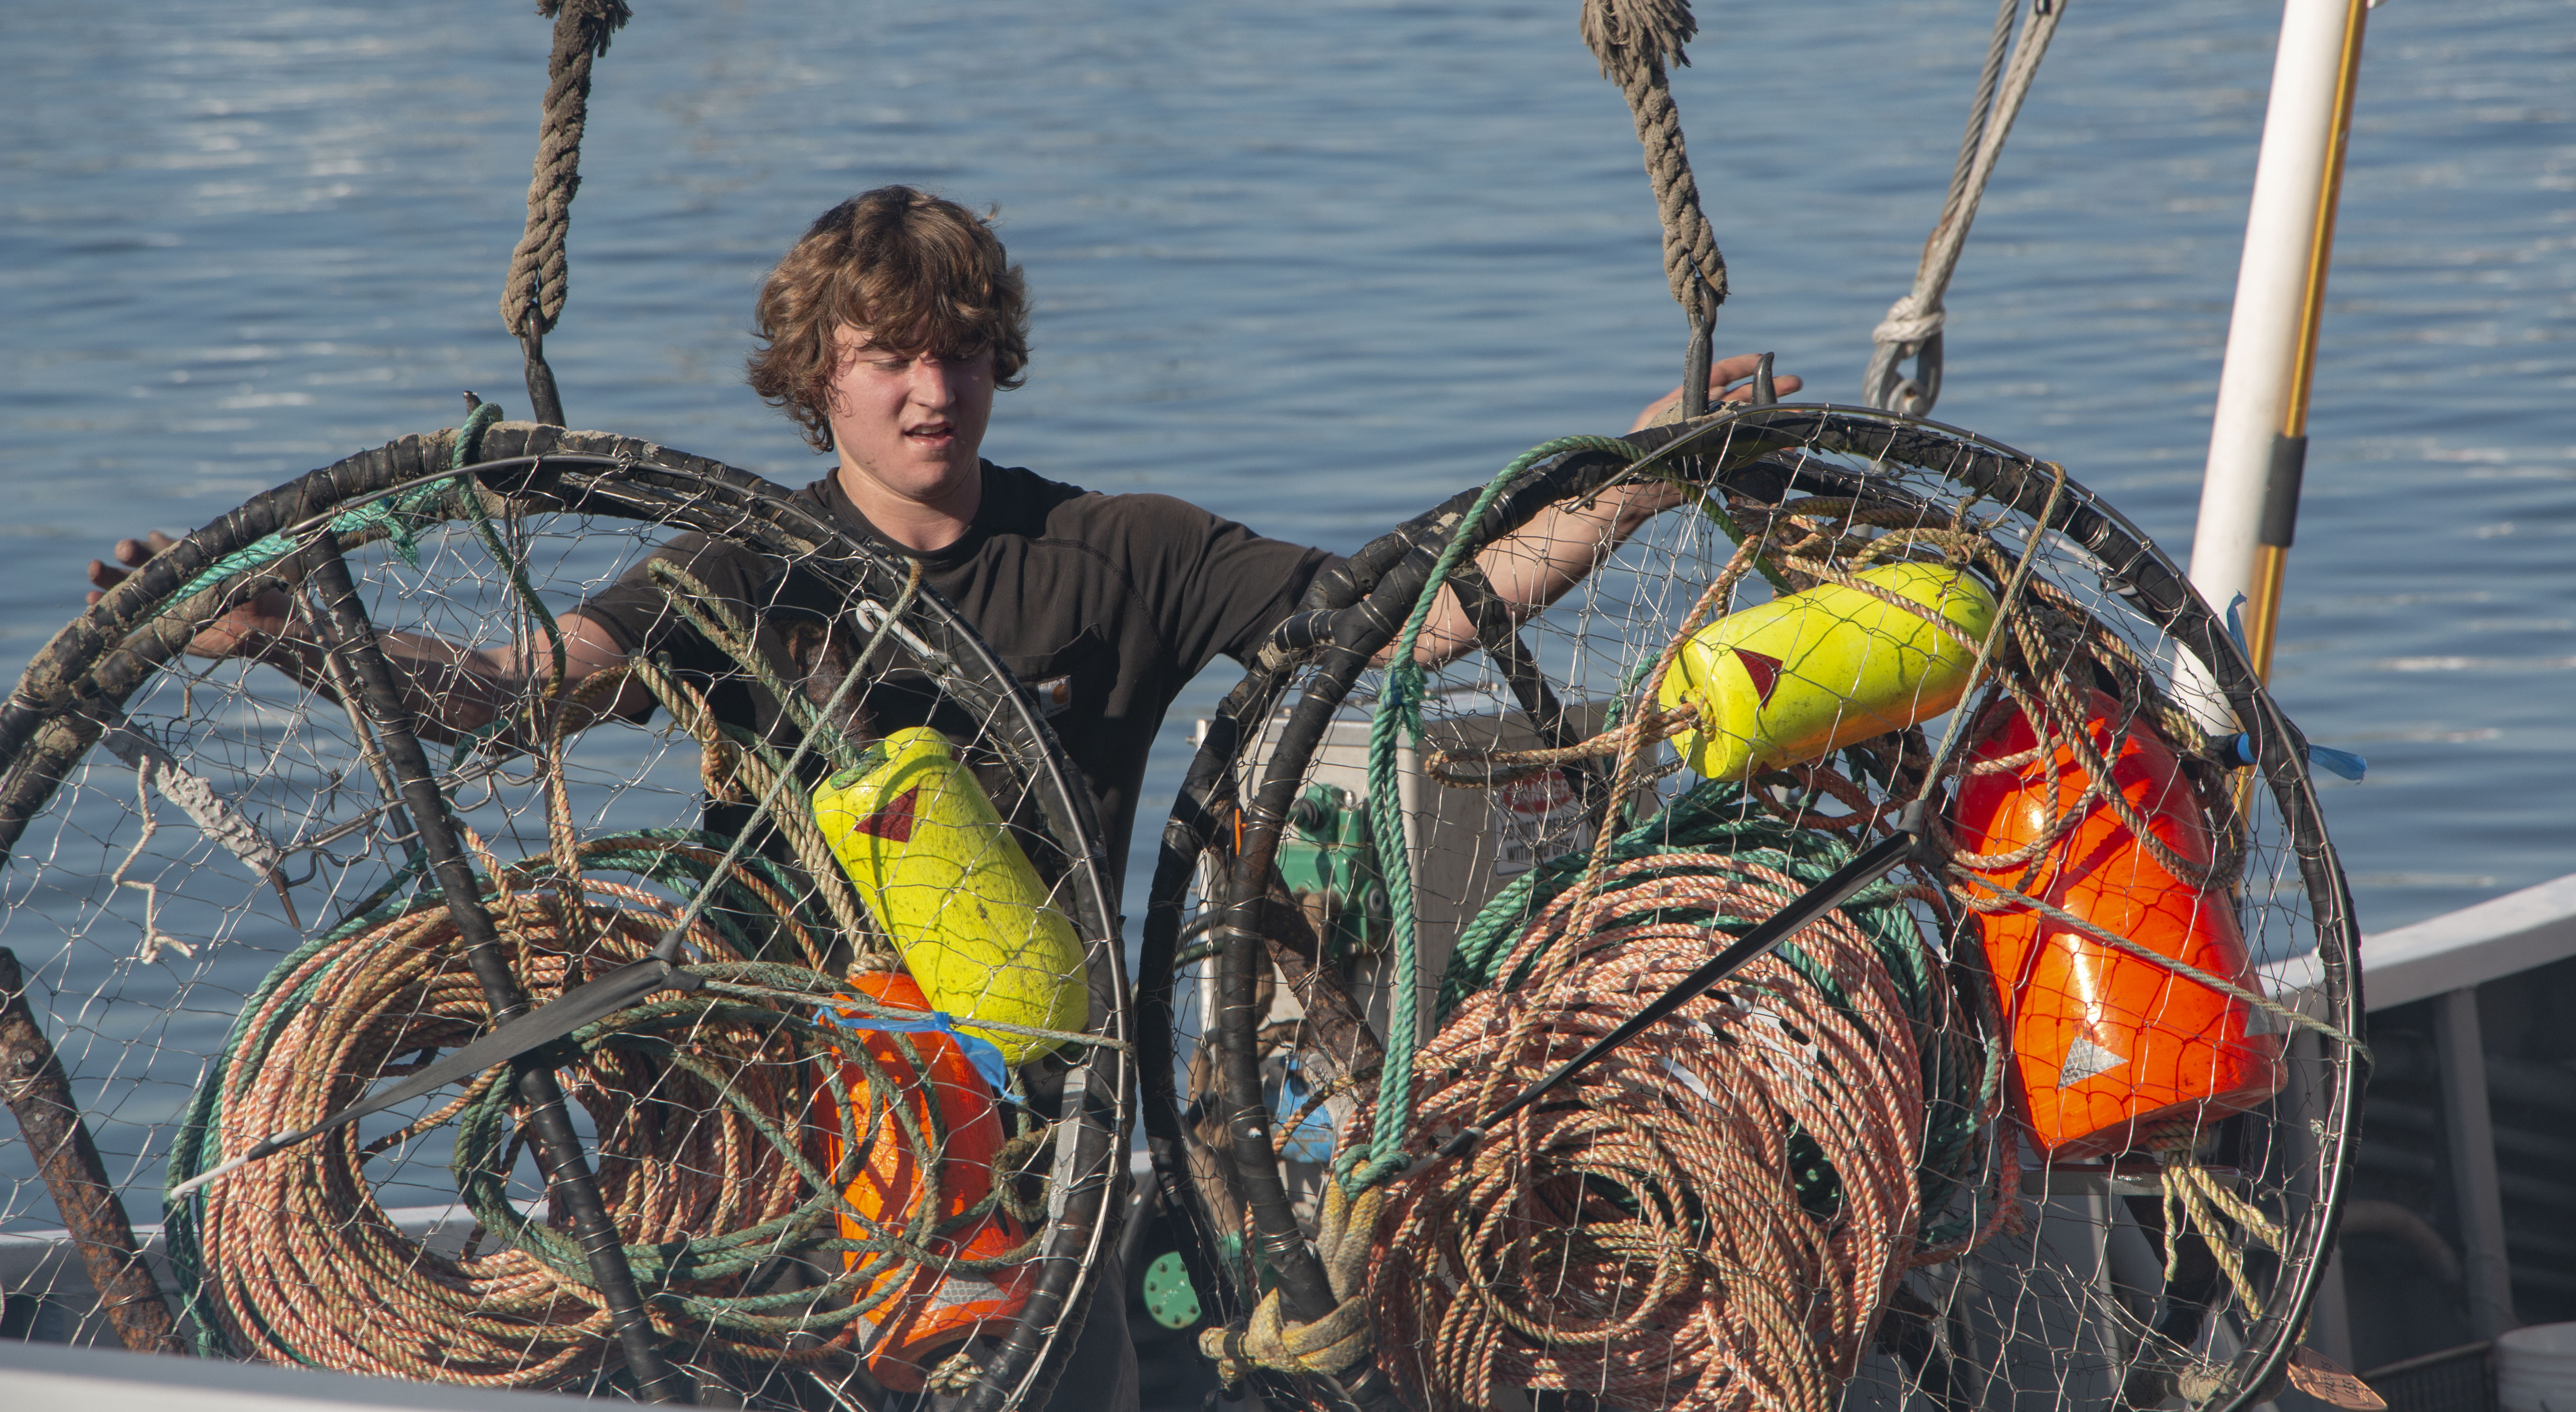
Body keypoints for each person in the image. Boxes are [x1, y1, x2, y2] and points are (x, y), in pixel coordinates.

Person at [88, 184, 1800, 1410]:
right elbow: (511, 698)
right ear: (814, 376)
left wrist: (1634, 480)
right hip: (777, 1129)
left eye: (964, 353)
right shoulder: (738, 570)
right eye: (889, 356)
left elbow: (1413, 618)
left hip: (1036, 1131)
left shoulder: (1119, 554)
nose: (932, 389)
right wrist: (285, 635)